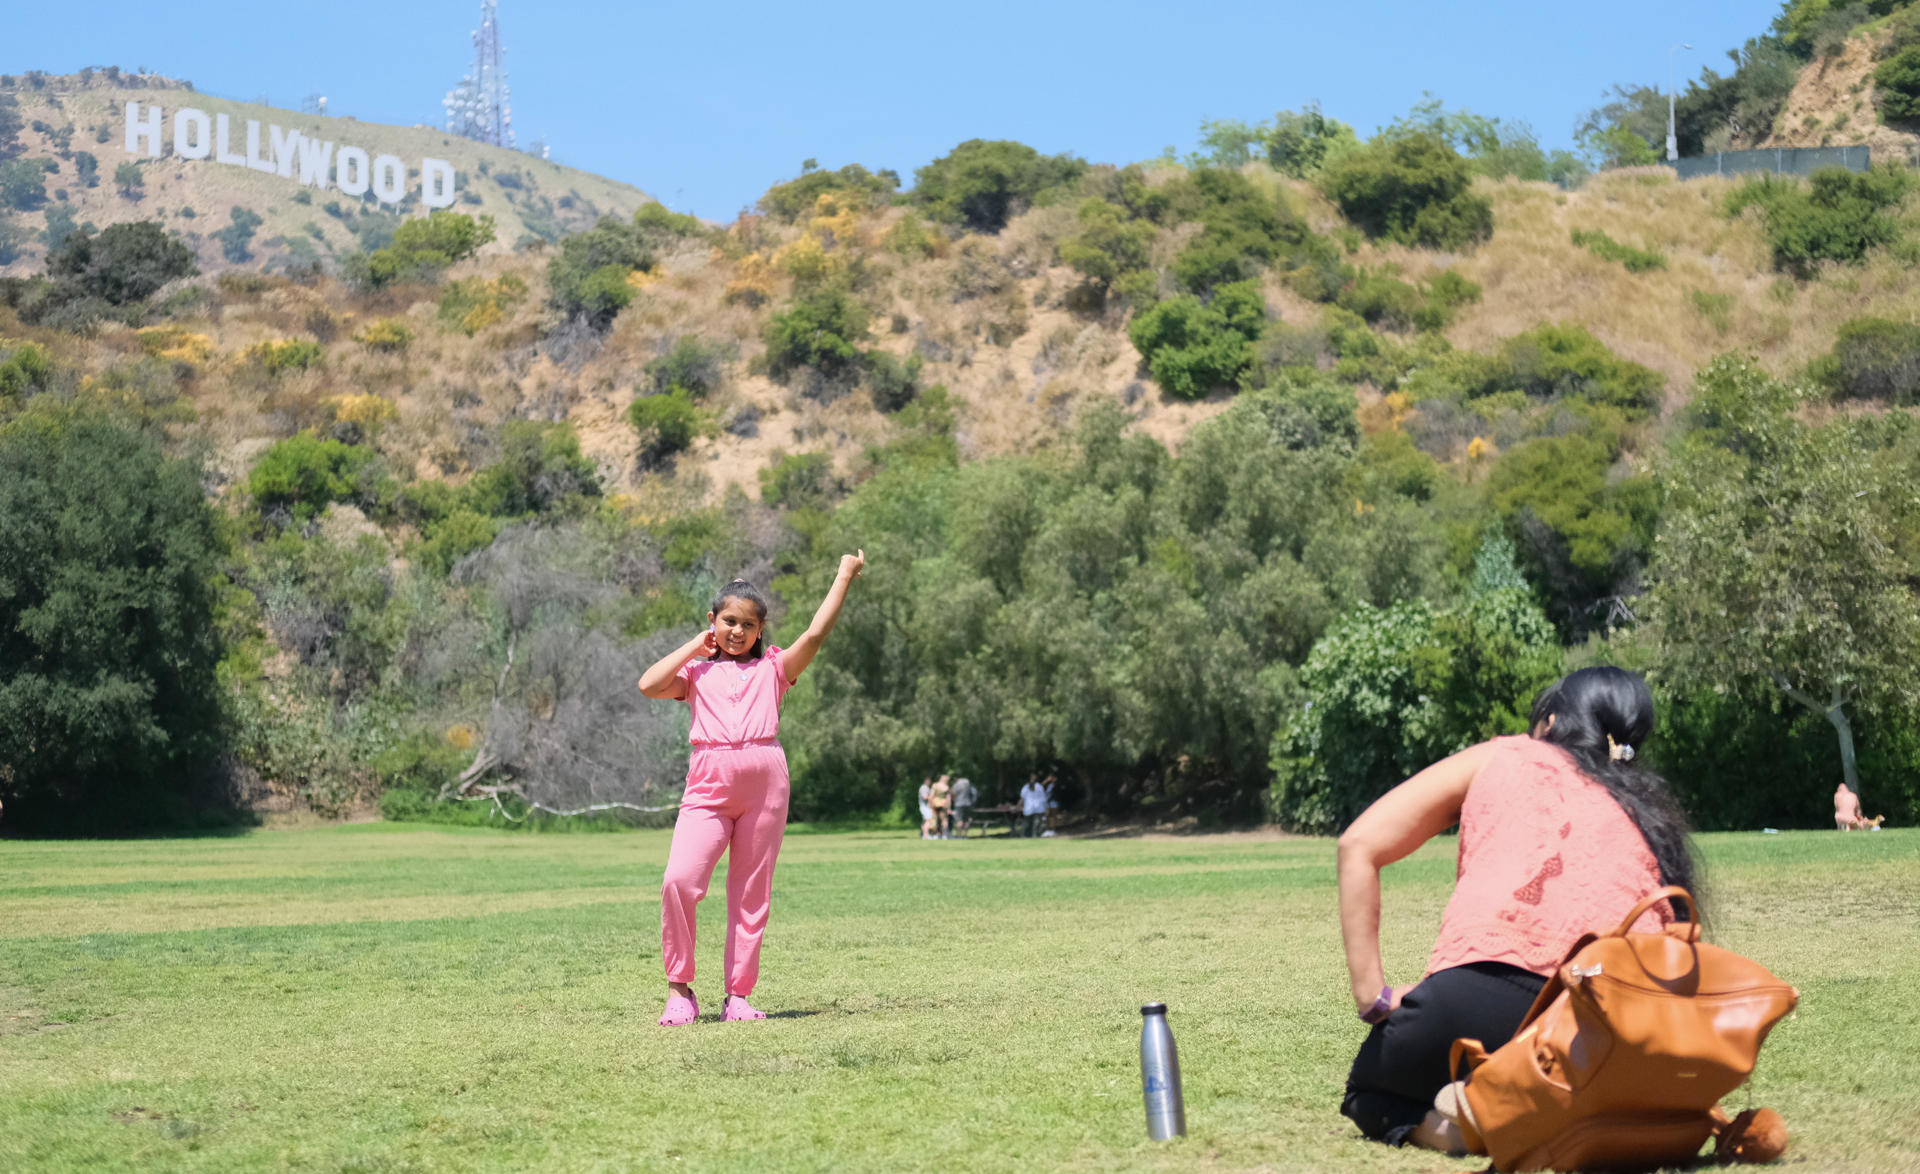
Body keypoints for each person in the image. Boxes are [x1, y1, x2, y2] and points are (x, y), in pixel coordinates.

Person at [1336, 666, 1700, 1153]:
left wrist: (1374, 999)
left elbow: (1359, 844)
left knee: (1369, 1093)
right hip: (1616, 1029)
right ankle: (1572, 1116)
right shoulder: (1649, 808)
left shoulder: (1505, 755)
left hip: (1477, 1001)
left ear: (1550, 722)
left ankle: (1474, 1127)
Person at [638, 551, 865, 1026]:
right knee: (679, 880)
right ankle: (680, 991)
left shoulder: (776, 669)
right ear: (712, 621)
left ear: (761, 630)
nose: (737, 632)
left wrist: (844, 574)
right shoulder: (696, 675)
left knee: (750, 893)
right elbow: (648, 685)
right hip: (708, 781)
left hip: (765, 783)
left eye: (747, 625)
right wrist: (692, 647)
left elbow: (817, 634)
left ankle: (737, 997)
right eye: (728, 621)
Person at [929, 774, 953, 839]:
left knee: (935, 819)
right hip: (944, 804)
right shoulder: (946, 787)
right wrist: (949, 808)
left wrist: (930, 803)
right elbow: (949, 798)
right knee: (944, 820)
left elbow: (931, 795)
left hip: (935, 803)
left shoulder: (935, 785)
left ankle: (935, 834)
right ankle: (944, 835)